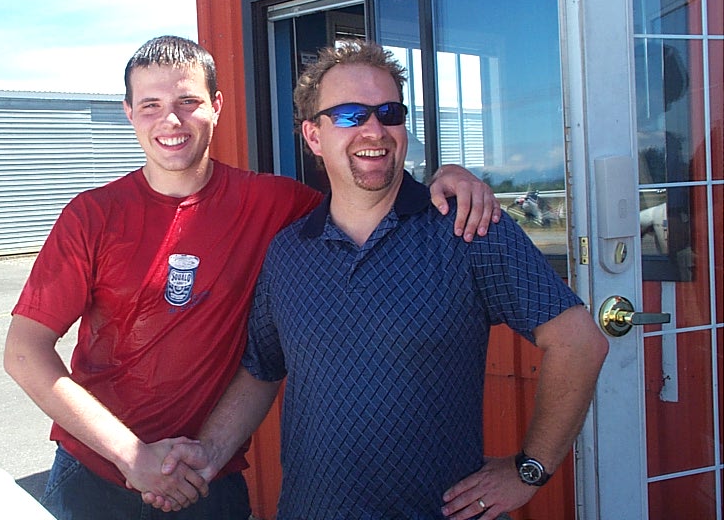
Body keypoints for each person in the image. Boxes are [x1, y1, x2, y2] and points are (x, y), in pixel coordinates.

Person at [3, 35, 501, 520]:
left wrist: (447, 177)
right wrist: (132, 456)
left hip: (207, 482)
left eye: (188, 101)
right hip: (97, 476)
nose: (170, 120)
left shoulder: (275, 204)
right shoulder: (92, 216)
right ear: (129, 113)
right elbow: (24, 352)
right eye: (150, 105)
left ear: (217, 105)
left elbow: (367, 193)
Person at [151, 40, 609, 519]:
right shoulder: (289, 251)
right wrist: (207, 453)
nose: (375, 128)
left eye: (389, 112)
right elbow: (262, 369)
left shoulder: (466, 229)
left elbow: (579, 343)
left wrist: (528, 469)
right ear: (313, 136)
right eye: (351, 114)